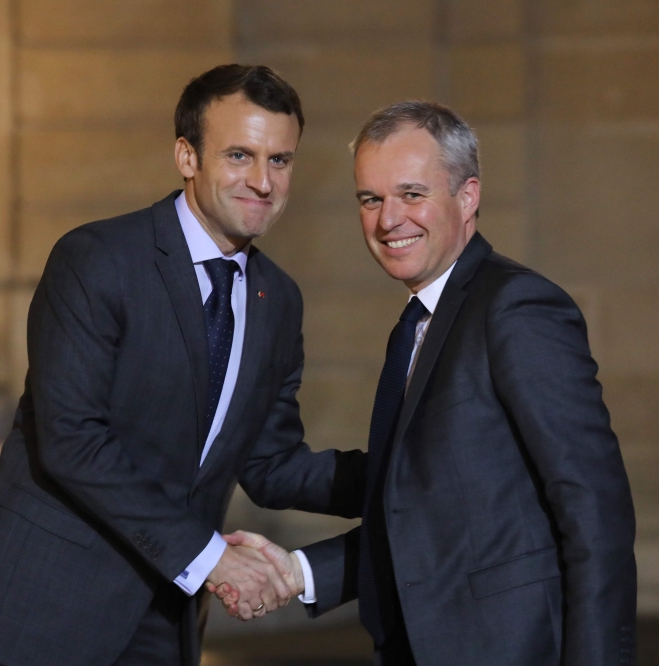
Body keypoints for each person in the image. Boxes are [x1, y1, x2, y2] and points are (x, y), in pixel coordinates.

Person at [0, 64, 365, 666]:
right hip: (25, 614)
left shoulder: (278, 300)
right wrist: (211, 558)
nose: (262, 181)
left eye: (280, 160)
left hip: (157, 627)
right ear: (186, 156)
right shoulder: (98, 259)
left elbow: (269, 462)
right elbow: (73, 440)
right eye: (238, 155)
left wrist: (402, 475)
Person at [221, 101, 637, 665]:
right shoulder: (420, 323)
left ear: (468, 197)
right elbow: (432, 504)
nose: (389, 219)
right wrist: (300, 572)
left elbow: (595, 511)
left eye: (412, 194)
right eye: (371, 199)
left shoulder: (517, 308)